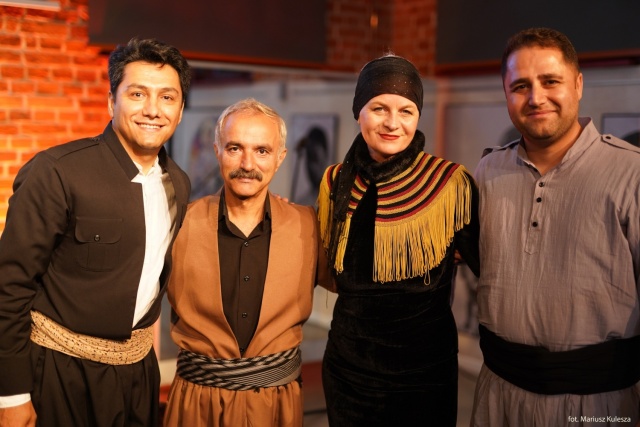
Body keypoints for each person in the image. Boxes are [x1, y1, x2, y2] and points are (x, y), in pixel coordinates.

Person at [0, 38, 191, 427]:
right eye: (137, 94)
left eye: (167, 97)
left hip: (138, 373)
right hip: (59, 371)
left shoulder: (179, 183)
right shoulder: (56, 172)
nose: (153, 110)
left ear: (180, 109)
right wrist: (12, 394)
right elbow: (9, 287)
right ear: (111, 102)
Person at [472, 27, 640, 425]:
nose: (536, 98)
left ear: (578, 84)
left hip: (600, 404)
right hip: (498, 396)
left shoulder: (632, 172)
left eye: (550, 81)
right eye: (520, 86)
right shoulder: (487, 170)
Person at [316, 55, 480, 426]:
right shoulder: (333, 182)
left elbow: (493, 270)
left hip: (423, 375)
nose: (393, 123)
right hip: (347, 370)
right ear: (358, 111)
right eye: (379, 108)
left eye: (406, 111)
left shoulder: (449, 183)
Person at [163, 98, 329, 427]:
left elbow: (357, 287)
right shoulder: (180, 223)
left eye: (262, 150)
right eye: (235, 148)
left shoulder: (307, 225)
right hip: (197, 403)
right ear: (217, 151)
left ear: (280, 157)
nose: (247, 163)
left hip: (276, 404)